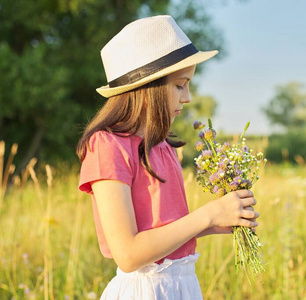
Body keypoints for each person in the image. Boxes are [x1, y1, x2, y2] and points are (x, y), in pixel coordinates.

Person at [77, 15, 259, 299]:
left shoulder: (163, 146)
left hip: (182, 284)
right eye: (179, 85)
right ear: (147, 88)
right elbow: (129, 253)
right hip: (144, 289)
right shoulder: (107, 146)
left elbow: (160, 232)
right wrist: (207, 214)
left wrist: (214, 223)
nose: (187, 97)